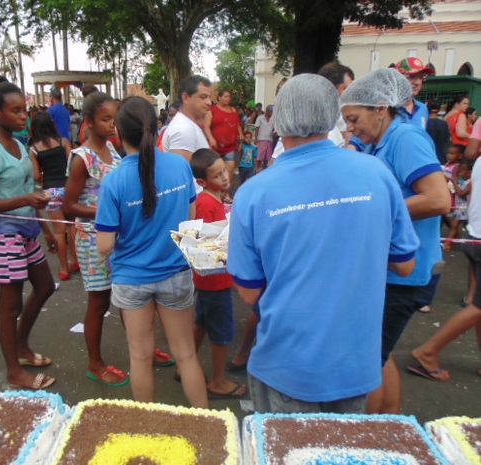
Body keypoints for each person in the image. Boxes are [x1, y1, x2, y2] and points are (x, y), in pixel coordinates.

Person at [228, 74, 418, 414]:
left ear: (278, 119)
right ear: (333, 115)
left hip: (287, 362)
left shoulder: (254, 193)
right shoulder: (376, 173)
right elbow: (405, 263)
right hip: (354, 361)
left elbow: (249, 292)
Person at [341, 68, 451, 413]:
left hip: (406, 272)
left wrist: (374, 212)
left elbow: (438, 199)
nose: (351, 128)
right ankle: (389, 427)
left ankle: (367, 434)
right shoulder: (382, 141)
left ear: (380, 107)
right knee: (379, 355)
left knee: (365, 363)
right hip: (393, 268)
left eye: (355, 118)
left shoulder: (405, 137)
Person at [95, 96, 207, 407]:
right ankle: (211, 426)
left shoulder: (114, 181)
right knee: (185, 355)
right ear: (158, 130)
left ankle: (147, 430)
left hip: (132, 279)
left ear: (118, 132)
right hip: (175, 272)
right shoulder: (179, 167)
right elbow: (189, 219)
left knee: (140, 357)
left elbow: (104, 245)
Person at [0, 82, 57, 391]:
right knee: (10, 306)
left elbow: (26, 190)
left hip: (27, 229)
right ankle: (14, 371)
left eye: (25, 110)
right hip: (3, 235)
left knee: (46, 286)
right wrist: (26, 201)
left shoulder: (19, 145)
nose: (24, 116)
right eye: (16, 110)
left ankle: (21, 346)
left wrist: (45, 228)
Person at [63, 91, 129, 387]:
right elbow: (69, 205)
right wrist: (105, 213)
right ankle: (95, 363)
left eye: (114, 119)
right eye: (106, 119)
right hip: (92, 240)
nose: (112, 125)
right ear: (88, 122)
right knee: (99, 302)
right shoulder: (81, 158)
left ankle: (141, 349)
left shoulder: (113, 150)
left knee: (129, 297)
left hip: (117, 236)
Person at [412, 117, 481, 381]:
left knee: (477, 303)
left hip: (472, 233)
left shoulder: (476, 162)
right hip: (475, 236)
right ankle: (428, 351)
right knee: (478, 306)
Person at [189, 148, 247, 400]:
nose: (225, 177)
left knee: (201, 321)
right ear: (202, 181)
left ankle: (186, 366)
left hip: (210, 280)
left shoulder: (214, 199)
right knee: (223, 332)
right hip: (215, 279)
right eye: (217, 175)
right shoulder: (206, 203)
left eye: (224, 171)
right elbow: (207, 245)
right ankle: (218, 381)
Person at [29, 111, 77, 282]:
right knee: (72, 226)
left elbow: (35, 176)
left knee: (59, 231)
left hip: (50, 191)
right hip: (69, 187)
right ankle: (75, 261)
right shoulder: (63, 141)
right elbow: (72, 165)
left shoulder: (34, 149)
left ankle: (64, 269)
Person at [162, 76, 212, 162]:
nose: (209, 102)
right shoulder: (183, 130)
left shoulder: (187, 126)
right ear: (186, 98)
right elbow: (183, 173)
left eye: (209, 97)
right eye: (203, 97)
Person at [204, 89, 243, 185]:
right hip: (215, 146)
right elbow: (206, 126)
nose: (228, 98)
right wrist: (211, 138)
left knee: (230, 167)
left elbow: (237, 124)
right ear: (219, 97)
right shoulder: (212, 111)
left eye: (229, 96)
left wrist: (241, 133)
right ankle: (213, 189)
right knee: (214, 169)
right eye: (225, 96)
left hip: (230, 145)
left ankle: (225, 192)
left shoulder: (233, 110)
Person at [394, 57, 434, 129]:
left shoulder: (423, 108)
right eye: (412, 77)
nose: (418, 82)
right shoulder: (386, 109)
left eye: (421, 77)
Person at [446, 158, 473, 250]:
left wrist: (455, 183)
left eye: (462, 171)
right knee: (464, 226)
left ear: (469, 172)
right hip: (460, 207)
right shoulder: (462, 181)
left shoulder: (471, 183)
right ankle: (465, 243)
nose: (459, 173)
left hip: (465, 208)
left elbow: (461, 193)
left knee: (455, 224)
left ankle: (448, 244)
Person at [426, 100, 451, 165]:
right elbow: (447, 139)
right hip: (441, 156)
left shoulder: (425, 124)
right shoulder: (444, 124)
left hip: (428, 155)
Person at [254, 105, 276, 171]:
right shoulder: (260, 118)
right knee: (259, 156)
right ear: (267, 111)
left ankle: (264, 169)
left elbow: (274, 128)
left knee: (267, 157)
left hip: (269, 140)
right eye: (270, 112)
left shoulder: (273, 118)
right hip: (261, 139)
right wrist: (256, 138)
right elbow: (257, 128)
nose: (271, 113)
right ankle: (257, 169)